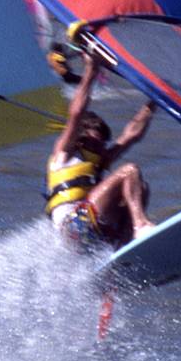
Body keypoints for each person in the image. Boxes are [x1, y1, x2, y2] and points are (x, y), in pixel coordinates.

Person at [44, 54, 158, 250]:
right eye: (96, 142)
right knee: (129, 171)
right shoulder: (65, 152)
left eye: (103, 143)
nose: (101, 148)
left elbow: (131, 135)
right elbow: (77, 112)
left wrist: (154, 102)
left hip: (91, 230)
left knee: (141, 188)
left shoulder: (98, 161)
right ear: (80, 136)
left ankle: (122, 250)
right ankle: (141, 226)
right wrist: (91, 69)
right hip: (74, 227)